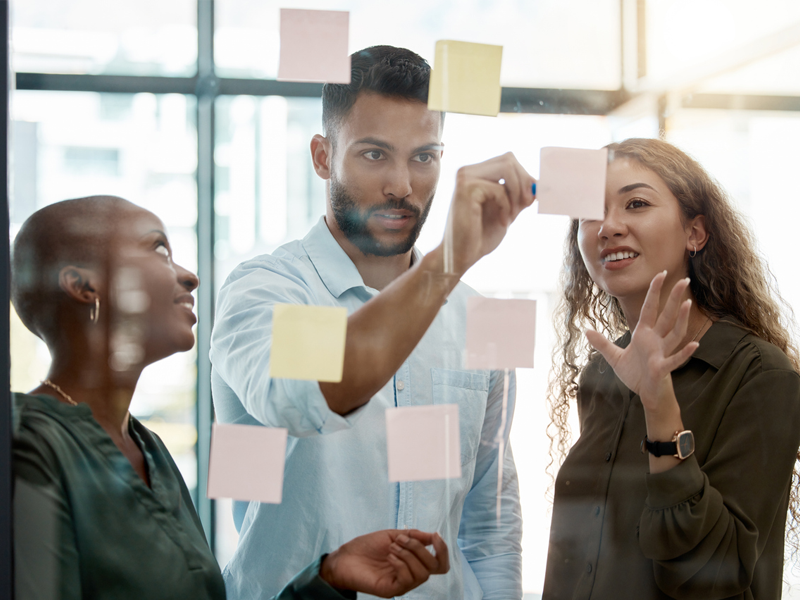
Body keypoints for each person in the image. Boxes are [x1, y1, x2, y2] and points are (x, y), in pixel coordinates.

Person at [210, 46, 534, 599]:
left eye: (424, 157)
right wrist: (448, 263)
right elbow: (305, 394)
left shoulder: (480, 316)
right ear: (322, 156)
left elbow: (490, 521)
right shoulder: (269, 292)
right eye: (374, 154)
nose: (402, 185)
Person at [11, 195, 450, 600]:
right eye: (159, 250)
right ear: (84, 285)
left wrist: (329, 578)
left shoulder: (150, 450)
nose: (189, 275)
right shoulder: (26, 444)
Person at [542, 138, 800, 599]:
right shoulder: (603, 372)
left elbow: (710, 575)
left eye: (636, 203)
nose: (608, 227)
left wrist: (661, 409)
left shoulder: (761, 374)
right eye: (590, 213)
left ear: (695, 233)